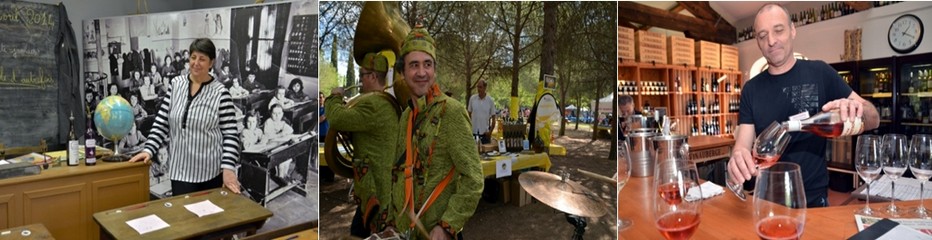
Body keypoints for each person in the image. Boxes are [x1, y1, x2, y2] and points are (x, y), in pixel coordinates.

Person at [727, 3, 880, 208]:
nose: (771, 41)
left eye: (778, 30)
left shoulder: (820, 72)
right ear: (758, 42)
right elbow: (742, 146)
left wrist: (856, 108)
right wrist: (737, 157)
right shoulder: (751, 89)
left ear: (792, 30)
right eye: (762, 36)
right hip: (767, 198)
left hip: (813, 199)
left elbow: (874, 118)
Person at [388, 26, 483, 239]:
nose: (422, 72)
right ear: (403, 72)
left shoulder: (452, 112)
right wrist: (393, 219)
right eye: (414, 65)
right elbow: (399, 170)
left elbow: (474, 179)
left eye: (427, 64)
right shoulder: (406, 116)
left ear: (435, 70)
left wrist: (447, 226)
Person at [129, 38, 243, 196]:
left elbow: (231, 134)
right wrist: (149, 149)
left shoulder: (221, 93)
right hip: (180, 172)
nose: (196, 63)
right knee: (183, 218)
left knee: (208, 218)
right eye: (193, 57)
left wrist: (228, 168)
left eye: (202, 59)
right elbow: (162, 121)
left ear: (211, 63)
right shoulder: (176, 84)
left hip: (209, 174)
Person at [326, 52, 401, 237]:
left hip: (375, 190)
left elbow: (336, 119)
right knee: (359, 230)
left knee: (363, 232)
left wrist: (334, 97)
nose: (359, 80)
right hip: (376, 187)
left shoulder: (373, 103)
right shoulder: (385, 102)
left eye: (362, 75)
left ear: (373, 76)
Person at [468, 80, 496, 144]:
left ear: (485, 88)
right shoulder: (472, 99)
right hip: (473, 134)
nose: (478, 89)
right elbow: (468, 115)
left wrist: (490, 132)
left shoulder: (490, 101)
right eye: (477, 87)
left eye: (480, 87)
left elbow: (494, 119)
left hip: (485, 134)